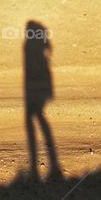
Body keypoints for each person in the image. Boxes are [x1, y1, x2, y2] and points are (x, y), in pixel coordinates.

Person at [24, 20, 61, 181]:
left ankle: (39, 165)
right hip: (36, 89)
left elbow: (36, 69)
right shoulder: (36, 45)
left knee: (33, 120)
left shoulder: (32, 46)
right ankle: (46, 163)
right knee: (36, 119)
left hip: (34, 89)